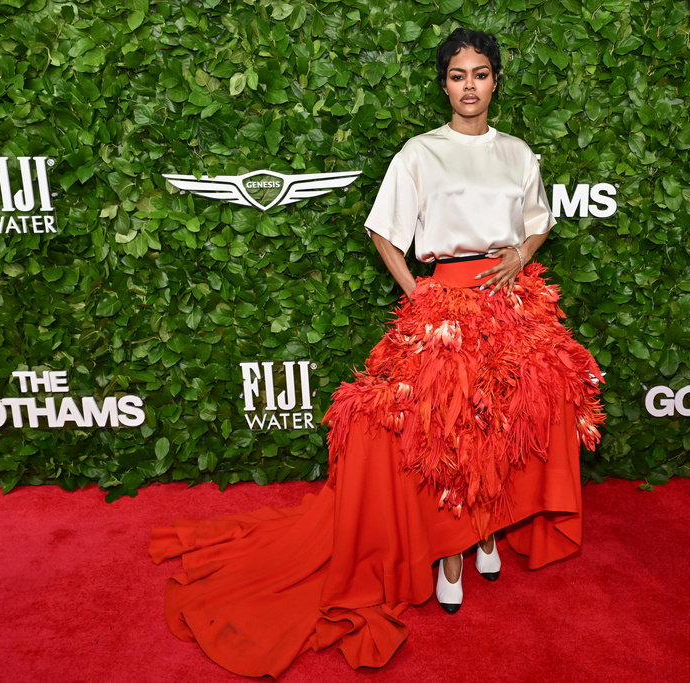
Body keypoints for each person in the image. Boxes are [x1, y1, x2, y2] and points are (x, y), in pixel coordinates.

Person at [149, 28, 604, 678]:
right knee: (446, 430)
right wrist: (420, 290)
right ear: (443, 84)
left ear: (496, 81)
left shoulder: (517, 152)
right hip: (443, 307)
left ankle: (488, 530)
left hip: (510, 305)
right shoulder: (421, 153)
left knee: (506, 421)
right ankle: (451, 553)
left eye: (480, 74)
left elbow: (538, 220)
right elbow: (382, 229)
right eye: (457, 75)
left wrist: (521, 254)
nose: (469, 86)